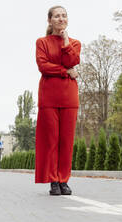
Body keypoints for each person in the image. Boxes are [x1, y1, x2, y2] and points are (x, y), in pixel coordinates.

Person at [35, 6, 81, 195]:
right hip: (48, 97)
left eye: (63, 16)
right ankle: (54, 180)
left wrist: (65, 40)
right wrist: (65, 72)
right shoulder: (42, 42)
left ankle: (64, 180)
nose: (61, 19)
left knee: (66, 141)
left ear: (67, 20)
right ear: (49, 20)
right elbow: (43, 66)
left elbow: (72, 61)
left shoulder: (75, 43)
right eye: (56, 16)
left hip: (69, 97)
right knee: (51, 140)